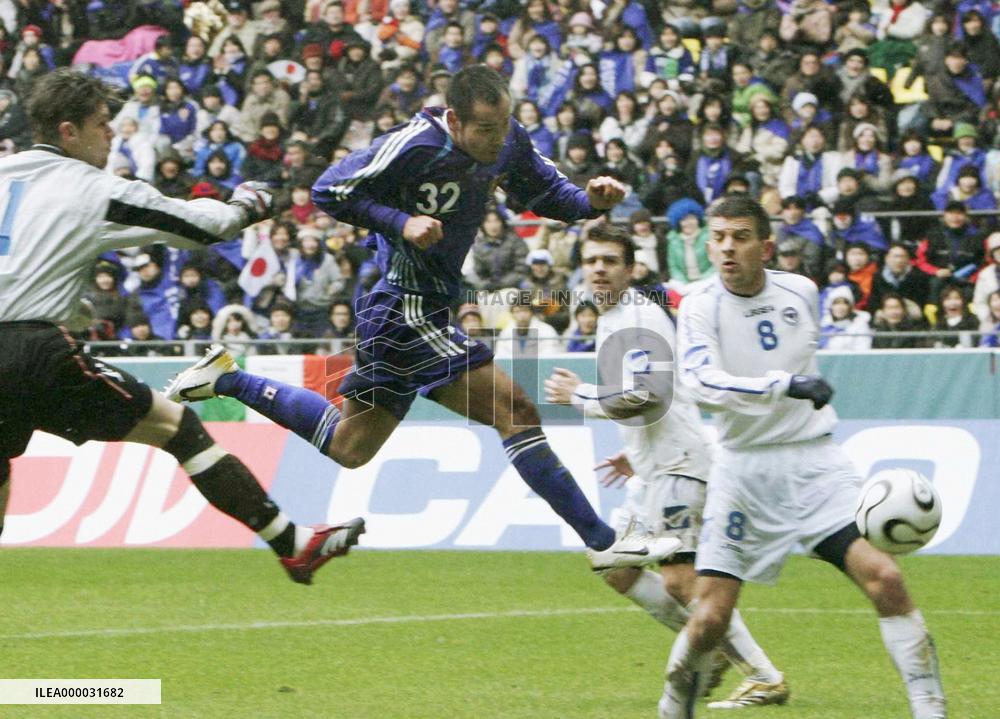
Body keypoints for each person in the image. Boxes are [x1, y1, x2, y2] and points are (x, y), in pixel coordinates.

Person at [166, 64, 676, 569]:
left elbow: (549, 195)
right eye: (484, 130)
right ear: (454, 120)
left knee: (350, 447)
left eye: (503, 127)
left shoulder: (509, 140)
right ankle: (605, 540)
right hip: (405, 305)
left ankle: (230, 380)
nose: (497, 141)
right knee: (515, 412)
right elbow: (329, 188)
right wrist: (400, 221)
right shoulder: (415, 144)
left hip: (416, 308)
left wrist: (590, 200)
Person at [0, 69, 363, 584]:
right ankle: (292, 545)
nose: (110, 135)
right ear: (68, 131)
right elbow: (200, 226)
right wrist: (246, 205)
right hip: (34, 350)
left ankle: (295, 542)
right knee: (177, 428)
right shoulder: (90, 187)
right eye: (102, 124)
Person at [658, 196, 946, 719]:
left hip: (815, 464)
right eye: (719, 236)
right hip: (742, 470)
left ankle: (932, 709)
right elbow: (701, 382)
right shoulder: (700, 305)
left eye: (740, 236)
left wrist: (788, 389)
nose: (727, 247)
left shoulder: (802, 292)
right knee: (711, 618)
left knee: (886, 578)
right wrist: (783, 384)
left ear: (766, 246)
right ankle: (672, 707)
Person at [545, 224, 789, 710]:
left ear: (631, 269)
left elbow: (648, 396)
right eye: (591, 260)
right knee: (613, 562)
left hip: (679, 464)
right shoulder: (614, 319)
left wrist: (581, 395)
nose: (598, 268)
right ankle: (710, 645)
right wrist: (633, 454)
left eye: (609, 261)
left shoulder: (636, 320)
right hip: (655, 465)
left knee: (679, 579)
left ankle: (761, 674)